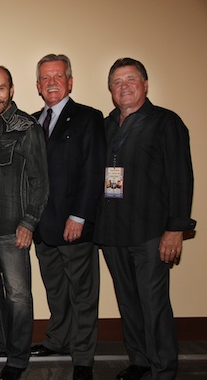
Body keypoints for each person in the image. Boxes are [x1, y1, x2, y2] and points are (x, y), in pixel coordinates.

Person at [95, 58, 195, 380]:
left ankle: (163, 370)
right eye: (117, 81)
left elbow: (181, 178)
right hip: (112, 232)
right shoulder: (107, 124)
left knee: (154, 306)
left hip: (151, 233)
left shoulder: (167, 122)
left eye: (131, 79)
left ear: (146, 84)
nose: (124, 86)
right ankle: (139, 361)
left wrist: (175, 229)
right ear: (110, 89)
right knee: (128, 302)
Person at [0, 65, 48, 380]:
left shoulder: (27, 127)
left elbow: (40, 181)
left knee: (18, 295)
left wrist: (29, 222)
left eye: (0, 88)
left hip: (12, 230)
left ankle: (17, 358)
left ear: (11, 89)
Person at [30, 54, 105, 380]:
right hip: (42, 228)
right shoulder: (31, 121)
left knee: (83, 294)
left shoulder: (89, 117)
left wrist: (79, 216)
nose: (51, 83)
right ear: (37, 85)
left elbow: (93, 171)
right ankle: (58, 339)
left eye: (57, 76)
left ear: (70, 82)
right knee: (55, 290)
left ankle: (83, 357)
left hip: (74, 225)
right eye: (45, 78)